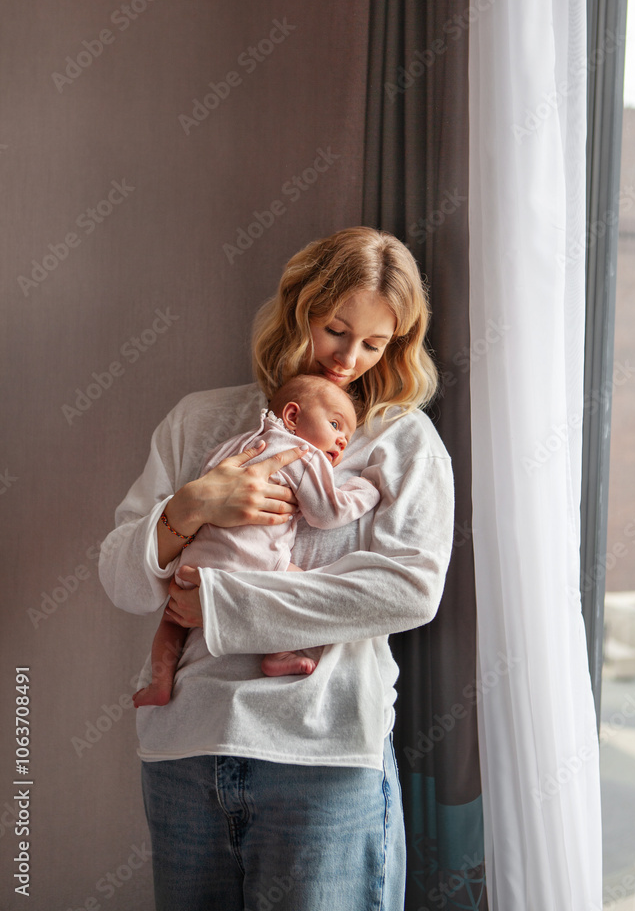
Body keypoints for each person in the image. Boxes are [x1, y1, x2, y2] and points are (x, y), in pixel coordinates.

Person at [99, 226, 455, 911]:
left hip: (321, 761)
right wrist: (190, 507)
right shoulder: (199, 421)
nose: (348, 359)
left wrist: (223, 605)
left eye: (374, 343)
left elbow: (407, 589)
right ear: (298, 311)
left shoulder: (396, 439)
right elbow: (121, 580)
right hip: (183, 754)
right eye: (334, 329)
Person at [133, 372, 380, 707]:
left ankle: (160, 682)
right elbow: (326, 513)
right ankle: (280, 652)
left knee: (172, 620)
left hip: (196, 562)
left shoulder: (235, 445)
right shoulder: (301, 453)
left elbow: (207, 483)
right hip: (256, 563)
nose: (341, 442)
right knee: (304, 589)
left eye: (347, 440)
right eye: (336, 426)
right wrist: (364, 490)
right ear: (293, 416)